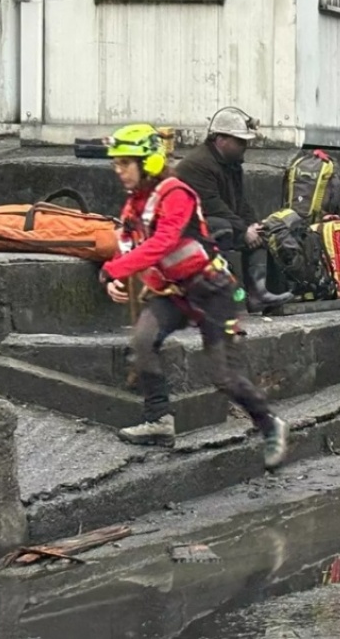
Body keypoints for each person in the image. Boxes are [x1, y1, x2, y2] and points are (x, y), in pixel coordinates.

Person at [98, 123, 288, 469]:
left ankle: (270, 424)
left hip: (212, 291)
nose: (119, 171)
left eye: (125, 163)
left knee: (224, 377)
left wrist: (119, 269)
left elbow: (163, 243)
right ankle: (159, 420)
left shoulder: (177, 194)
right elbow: (127, 243)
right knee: (142, 341)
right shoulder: (134, 205)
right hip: (173, 292)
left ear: (149, 163)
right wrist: (111, 274)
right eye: (116, 164)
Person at [174, 107, 293, 313]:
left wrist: (253, 226)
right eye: (240, 141)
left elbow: (240, 202)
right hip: (188, 229)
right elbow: (213, 205)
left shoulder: (231, 163)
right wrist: (243, 230)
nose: (244, 146)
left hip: (214, 221)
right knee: (223, 227)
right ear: (221, 139)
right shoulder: (198, 165)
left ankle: (258, 294)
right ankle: (207, 297)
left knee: (261, 229)